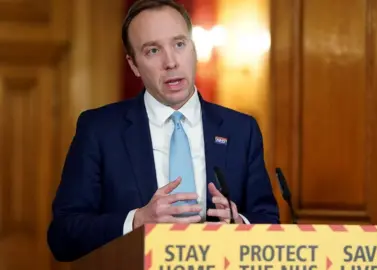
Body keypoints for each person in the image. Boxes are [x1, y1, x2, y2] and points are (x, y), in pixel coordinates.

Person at [47, 0, 279, 262]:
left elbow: (268, 221)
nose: (170, 62)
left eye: (179, 44)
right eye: (153, 50)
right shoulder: (99, 130)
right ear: (134, 65)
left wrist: (239, 222)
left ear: (194, 48)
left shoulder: (241, 130)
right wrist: (136, 221)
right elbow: (63, 236)